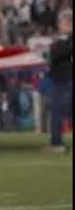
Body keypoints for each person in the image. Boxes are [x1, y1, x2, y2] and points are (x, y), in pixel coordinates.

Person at [46, 9, 72, 154]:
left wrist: (54, 47)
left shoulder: (65, 41)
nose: (59, 25)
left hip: (63, 78)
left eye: (61, 22)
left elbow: (57, 54)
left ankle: (57, 143)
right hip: (64, 78)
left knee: (57, 111)